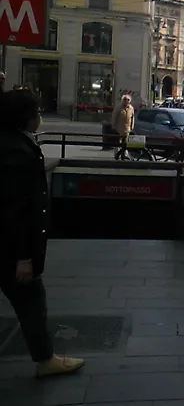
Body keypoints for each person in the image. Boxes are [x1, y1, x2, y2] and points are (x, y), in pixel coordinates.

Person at [0, 90, 86, 378]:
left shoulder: (11, 142)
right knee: (31, 301)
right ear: (24, 117)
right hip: (11, 250)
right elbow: (14, 209)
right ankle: (46, 359)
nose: (39, 117)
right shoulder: (16, 151)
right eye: (36, 112)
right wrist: (23, 256)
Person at [111, 94, 135, 160]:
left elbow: (132, 117)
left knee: (125, 143)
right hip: (119, 128)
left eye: (128, 100)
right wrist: (113, 125)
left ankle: (124, 155)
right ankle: (117, 154)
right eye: (124, 99)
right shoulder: (118, 107)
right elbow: (114, 117)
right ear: (122, 100)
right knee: (118, 142)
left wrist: (132, 126)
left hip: (127, 129)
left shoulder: (131, 108)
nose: (126, 101)